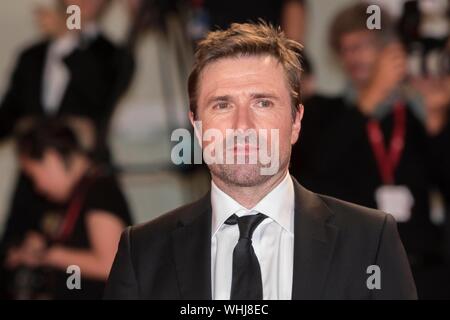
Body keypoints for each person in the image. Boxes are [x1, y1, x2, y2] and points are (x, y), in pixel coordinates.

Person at [104, 22, 416, 300]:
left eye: (262, 102)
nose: (243, 125)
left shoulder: (369, 241)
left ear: (295, 122)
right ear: (197, 128)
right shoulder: (143, 253)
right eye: (223, 104)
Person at [290, 3, 448, 299]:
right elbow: (315, 173)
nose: (353, 56)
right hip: (354, 274)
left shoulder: (413, 115)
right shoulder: (324, 113)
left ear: (391, 51)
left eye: (363, 46)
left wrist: (437, 120)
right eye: (346, 48)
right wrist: (370, 97)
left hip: (424, 275)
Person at [0, 0, 134, 294]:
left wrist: (70, 38)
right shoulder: (31, 56)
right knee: (13, 263)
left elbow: (99, 99)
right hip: (36, 178)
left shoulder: (113, 55)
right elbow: (8, 115)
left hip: (79, 173)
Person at [3, 119, 132, 299]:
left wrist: (47, 254)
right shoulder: (77, 194)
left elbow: (110, 263)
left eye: (34, 176)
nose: (37, 186)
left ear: (51, 158)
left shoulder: (99, 191)